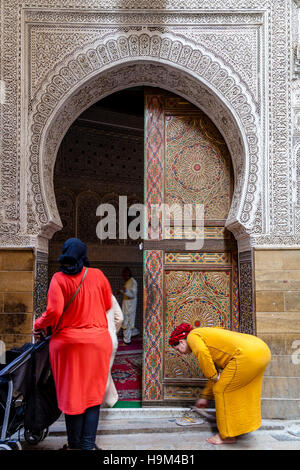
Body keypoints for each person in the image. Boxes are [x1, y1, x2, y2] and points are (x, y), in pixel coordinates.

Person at [33, 238, 113, 450]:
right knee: (93, 396)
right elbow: (106, 305)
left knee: (72, 395)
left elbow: (54, 312)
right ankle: (88, 445)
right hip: (97, 344)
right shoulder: (98, 275)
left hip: (68, 346)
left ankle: (74, 445)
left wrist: (38, 323)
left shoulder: (58, 279)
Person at [169, 323, 271, 445]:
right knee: (245, 389)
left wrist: (213, 376)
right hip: (261, 350)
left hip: (246, 355)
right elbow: (217, 370)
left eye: (177, 349)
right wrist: (205, 397)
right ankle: (242, 426)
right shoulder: (205, 335)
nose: (180, 352)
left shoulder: (192, 336)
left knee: (221, 390)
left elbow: (202, 353)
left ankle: (226, 436)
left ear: (182, 341)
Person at [102, 295, 124, 407]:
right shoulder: (109, 296)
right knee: (105, 370)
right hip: (109, 338)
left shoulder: (84, 294)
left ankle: (101, 401)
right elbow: (119, 318)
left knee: (99, 371)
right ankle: (110, 399)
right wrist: (113, 331)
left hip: (91, 338)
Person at [119, 267, 138, 345]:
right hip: (126, 306)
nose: (123, 276)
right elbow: (126, 291)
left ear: (128, 273)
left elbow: (132, 294)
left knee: (127, 323)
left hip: (130, 308)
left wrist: (125, 290)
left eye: (125, 273)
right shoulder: (128, 282)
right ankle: (129, 337)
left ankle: (127, 341)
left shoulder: (132, 282)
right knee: (126, 323)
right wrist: (121, 291)